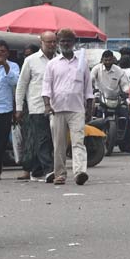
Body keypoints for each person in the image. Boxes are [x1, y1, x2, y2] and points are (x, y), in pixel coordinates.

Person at [43, 28, 92, 186]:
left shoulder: (82, 63)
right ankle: (60, 174)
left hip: (77, 109)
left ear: (74, 43)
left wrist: (90, 109)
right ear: (58, 43)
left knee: (78, 142)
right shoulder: (52, 64)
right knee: (59, 145)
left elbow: (88, 89)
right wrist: (46, 105)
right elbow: (46, 87)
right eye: (62, 41)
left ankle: (79, 172)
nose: (65, 43)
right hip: (58, 110)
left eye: (68, 41)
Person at [15, 31, 56, 181]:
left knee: (52, 140)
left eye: (54, 42)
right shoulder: (31, 60)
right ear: (41, 43)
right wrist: (19, 108)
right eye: (48, 42)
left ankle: (37, 170)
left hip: (56, 107)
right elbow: (21, 85)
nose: (52, 45)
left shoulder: (59, 60)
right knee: (42, 139)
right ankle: (48, 170)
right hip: (37, 106)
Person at [0, 40, 20, 180]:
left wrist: (5, 65)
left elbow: (15, 82)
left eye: (2, 51)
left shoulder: (13, 66)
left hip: (4, 110)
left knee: (1, 142)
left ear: (7, 53)